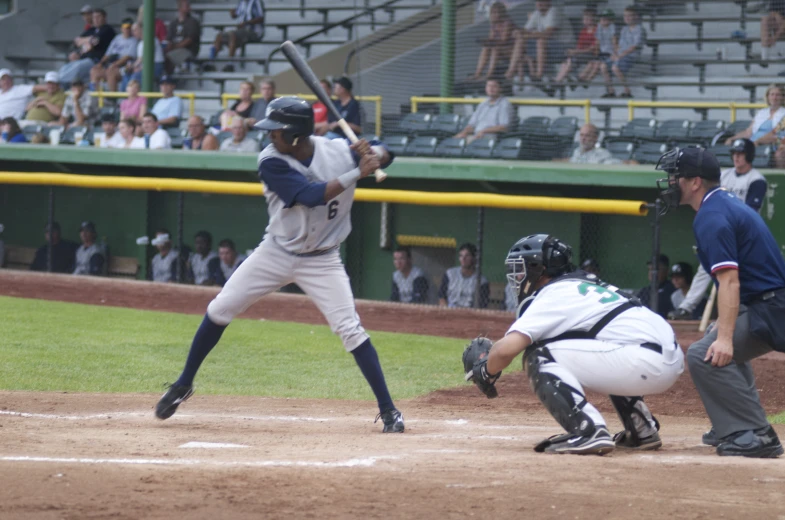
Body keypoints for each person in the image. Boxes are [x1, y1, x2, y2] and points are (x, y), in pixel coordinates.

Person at [154, 97, 405, 435]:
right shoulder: (270, 161)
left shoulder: (338, 150)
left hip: (324, 258)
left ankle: (389, 410)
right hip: (276, 251)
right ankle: (184, 382)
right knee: (220, 308)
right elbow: (312, 195)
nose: (270, 136)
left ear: (297, 136)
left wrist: (376, 154)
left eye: (276, 131)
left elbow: (387, 150)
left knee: (350, 329)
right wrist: (357, 171)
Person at [465, 234, 684, 455]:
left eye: (520, 268)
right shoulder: (582, 283)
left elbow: (505, 350)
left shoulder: (555, 293)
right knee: (601, 342)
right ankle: (640, 428)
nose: (516, 276)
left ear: (537, 268)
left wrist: (485, 371)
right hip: (664, 356)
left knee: (538, 355)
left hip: (644, 359)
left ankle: (587, 431)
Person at [656, 146, 785, 458]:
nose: (671, 182)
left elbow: (730, 281)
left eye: (676, 177)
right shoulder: (724, 204)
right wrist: (723, 326)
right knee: (715, 342)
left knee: (705, 354)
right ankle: (734, 422)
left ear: (695, 181)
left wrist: (727, 337)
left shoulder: (712, 216)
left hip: (771, 309)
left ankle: (755, 433)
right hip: (765, 303)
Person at [669, 140, 768, 320]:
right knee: (705, 267)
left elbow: (750, 211)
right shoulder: (726, 175)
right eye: (734, 153)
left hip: (742, 234)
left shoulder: (757, 179)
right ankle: (686, 307)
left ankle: (741, 315)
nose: (736, 157)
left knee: (730, 276)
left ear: (750, 156)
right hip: (722, 228)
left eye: (741, 153)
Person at [514, 0, 574, 86]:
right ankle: (511, 73)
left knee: (540, 41)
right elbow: (525, 30)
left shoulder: (554, 12)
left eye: (542, 1)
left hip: (564, 46)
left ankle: (539, 75)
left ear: (549, 2)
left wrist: (527, 35)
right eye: (537, 1)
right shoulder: (536, 13)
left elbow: (548, 34)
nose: (539, 3)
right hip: (549, 47)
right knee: (520, 40)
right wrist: (517, 32)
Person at [58, 8, 116, 88]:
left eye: (98, 17)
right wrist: (87, 41)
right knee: (65, 67)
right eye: (94, 17)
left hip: (96, 62)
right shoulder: (92, 30)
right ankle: (56, 82)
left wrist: (85, 42)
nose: (96, 19)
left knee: (77, 68)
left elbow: (94, 42)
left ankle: (57, 84)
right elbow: (76, 41)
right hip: (83, 59)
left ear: (104, 17)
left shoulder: (108, 29)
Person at [470, 2, 523, 82]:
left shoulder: (507, 23)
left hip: (511, 50)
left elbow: (504, 40)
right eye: (493, 13)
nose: (494, 15)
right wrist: (486, 42)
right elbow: (491, 38)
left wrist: (491, 42)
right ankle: (478, 73)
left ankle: (489, 74)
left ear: (501, 13)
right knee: (486, 47)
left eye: (496, 12)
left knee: (495, 49)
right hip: (501, 49)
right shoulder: (493, 24)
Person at [601, 6, 645, 99]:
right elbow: (619, 45)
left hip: (631, 56)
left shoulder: (639, 29)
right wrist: (615, 54)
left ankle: (627, 91)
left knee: (615, 68)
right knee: (603, 66)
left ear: (636, 16)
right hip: (620, 56)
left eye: (629, 16)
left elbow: (634, 47)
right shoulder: (624, 29)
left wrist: (620, 56)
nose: (627, 18)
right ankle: (611, 91)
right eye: (625, 16)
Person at [209, 0, 266, 72]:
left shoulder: (256, 2)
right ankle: (210, 62)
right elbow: (236, 15)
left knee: (232, 35)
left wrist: (246, 23)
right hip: (240, 31)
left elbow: (261, 17)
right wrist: (233, 14)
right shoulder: (241, 2)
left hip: (253, 31)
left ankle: (230, 64)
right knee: (219, 36)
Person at [453, 78, 512, 144]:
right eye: (488, 86)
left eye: (494, 86)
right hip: (477, 135)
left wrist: (484, 131)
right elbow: (472, 125)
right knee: (454, 141)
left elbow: (504, 127)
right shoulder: (483, 104)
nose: (491, 89)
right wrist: (463, 133)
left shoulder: (504, 104)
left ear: (500, 89)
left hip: (491, 137)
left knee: (463, 143)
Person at [89, 18, 138, 92]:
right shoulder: (117, 38)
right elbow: (108, 54)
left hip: (125, 68)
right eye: (126, 28)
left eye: (129, 28)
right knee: (94, 70)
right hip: (111, 65)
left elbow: (127, 57)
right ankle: (96, 96)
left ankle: (112, 99)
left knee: (111, 72)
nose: (127, 30)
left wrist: (114, 64)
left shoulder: (134, 40)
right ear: (122, 28)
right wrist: (100, 63)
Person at [554, 9, 598, 89]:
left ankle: (558, 82)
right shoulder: (583, 31)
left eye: (588, 18)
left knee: (570, 60)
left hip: (591, 54)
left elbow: (592, 48)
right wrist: (574, 52)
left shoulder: (597, 31)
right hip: (581, 54)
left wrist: (576, 52)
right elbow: (579, 46)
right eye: (584, 18)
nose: (585, 20)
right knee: (565, 61)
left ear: (593, 19)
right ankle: (558, 81)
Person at [438, 242, 490, 308]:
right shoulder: (450, 274)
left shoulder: (482, 281)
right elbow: (441, 297)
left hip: (469, 313)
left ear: (474, 258)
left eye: (467, 256)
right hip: (450, 310)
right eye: (461, 255)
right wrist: (445, 310)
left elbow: (481, 305)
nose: (463, 258)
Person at [121, 22, 165, 91]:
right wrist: (132, 67)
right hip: (145, 66)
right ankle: (124, 99)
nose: (133, 32)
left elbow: (143, 59)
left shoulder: (152, 40)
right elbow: (140, 60)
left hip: (156, 66)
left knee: (136, 76)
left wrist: (134, 67)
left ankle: (135, 99)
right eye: (132, 30)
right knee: (127, 74)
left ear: (142, 29)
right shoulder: (140, 43)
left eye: (135, 30)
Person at [581, 9, 617, 87]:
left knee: (597, 64)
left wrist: (615, 53)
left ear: (611, 20)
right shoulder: (600, 27)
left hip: (609, 53)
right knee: (591, 62)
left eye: (606, 18)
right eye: (602, 18)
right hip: (601, 52)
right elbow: (598, 41)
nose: (603, 20)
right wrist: (596, 53)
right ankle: (580, 78)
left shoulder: (612, 27)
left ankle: (587, 81)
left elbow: (614, 42)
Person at [165, 0, 202, 73]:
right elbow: (168, 39)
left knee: (168, 58)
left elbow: (190, 40)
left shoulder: (193, 22)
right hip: (174, 50)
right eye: (187, 6)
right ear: (180, 8)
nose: (189, 8)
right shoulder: (173, 23)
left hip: (188, 50)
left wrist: (174, 47)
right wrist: (168, 46)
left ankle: (171, 80)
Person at [636, 253, 675, 319]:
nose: (652, 273)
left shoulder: (672, 289)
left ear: (667, 271)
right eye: (650, 269)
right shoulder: (644, 291)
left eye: (656, 270)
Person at [761, 1, 785, 65]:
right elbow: (771, 12)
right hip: (778, 24)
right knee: (765, 19)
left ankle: (773, 41)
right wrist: (776, 15)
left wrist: (774, 37)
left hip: (783, 25)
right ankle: (764, 58)